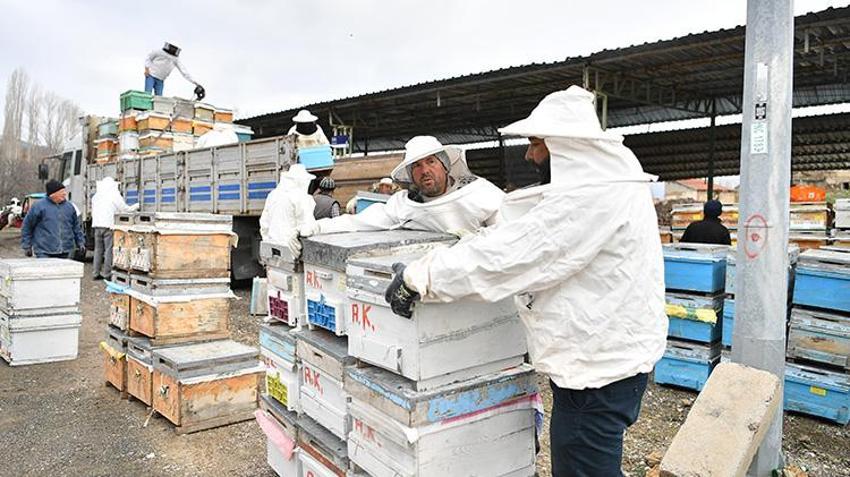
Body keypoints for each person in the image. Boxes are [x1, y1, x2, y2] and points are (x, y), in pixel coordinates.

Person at [385, 87, 667, 476]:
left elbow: (511, 256)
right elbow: (519, 235)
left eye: (535, 144)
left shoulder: (591, 197)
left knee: (581, 467)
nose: (529, 155)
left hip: (598, 372)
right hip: (607, 361)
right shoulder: (606, 182)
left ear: (564, 145)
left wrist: (421, 276)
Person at [300, 135, 505, 237]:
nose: (425, 170)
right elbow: (357, 222)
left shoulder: (482, 194)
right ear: (410, 175)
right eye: (417, 166)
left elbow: (511, 238)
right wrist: (318, 227)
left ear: (445, 166)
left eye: (431, 162)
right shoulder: (402, 206)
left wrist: (477, 241)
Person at [259, 164, 317, 256]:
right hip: (290, 250)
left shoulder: (273, 195)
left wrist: (267, 240)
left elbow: (264, 223)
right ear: (302, 181)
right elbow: (307, 226)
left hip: (272, 248)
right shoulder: (301, 197)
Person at [21, 180, 85, 259]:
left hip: (65, 250)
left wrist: (81, 243)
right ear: (53, 194)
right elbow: (27, 226)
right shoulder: (38, 206)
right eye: (61, 192)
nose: (64, 194)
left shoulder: (69, 207)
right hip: (44, 251)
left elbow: (76, 227)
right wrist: (27, 246)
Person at [91, 177, 139, 280]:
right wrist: (137, 206)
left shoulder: (96, 196)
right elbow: (125, 209)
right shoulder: (114, 195)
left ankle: (95, 273)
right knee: (109, 250)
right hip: (109, 226)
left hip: (97, 226)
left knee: (98, 250)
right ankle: (107, 274)